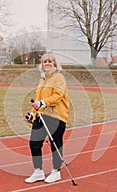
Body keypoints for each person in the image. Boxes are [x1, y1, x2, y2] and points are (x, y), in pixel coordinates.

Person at [24, 53, 70, 183]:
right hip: (41, 115)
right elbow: (37, 99)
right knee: (34, 142)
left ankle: (56, 171)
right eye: (45, 61)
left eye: (50, 61)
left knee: (55, 143)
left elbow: (58, 95)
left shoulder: (58, 77)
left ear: (54, 63)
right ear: (42, 64)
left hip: (56, 115)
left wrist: (43, 103)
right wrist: (32, 114)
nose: (47, 63)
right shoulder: (42, 78)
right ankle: (38, 171)